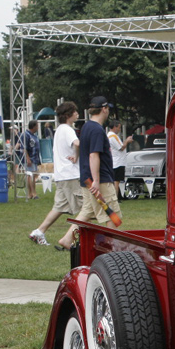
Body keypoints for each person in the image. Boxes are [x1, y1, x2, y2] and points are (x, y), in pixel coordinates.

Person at [56, 96, 121, 250]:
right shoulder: (97, 130)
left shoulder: (86, 127)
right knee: (113, 214)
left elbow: (82, 148)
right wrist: (97, 181)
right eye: (108, 109)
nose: (108, 112)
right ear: (104, 109)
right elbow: (93, 155)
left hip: (86, 178)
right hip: (100, 180)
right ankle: (110, 247)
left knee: (87, 211)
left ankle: (67, 239)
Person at [29, 102, 82, 246]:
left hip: (61, 175)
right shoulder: (68, 130)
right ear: (68, 115)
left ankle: (39, 231)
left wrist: (76, 155)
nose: (77, 114)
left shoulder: (59, 130)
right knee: (87, 209)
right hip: (71, 175)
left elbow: (73, 147)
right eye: (75, 111)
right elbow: (77, 143)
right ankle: (71, 239)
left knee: (59, 208)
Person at [107, 120, 133, 197]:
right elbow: (121, 147)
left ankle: (116, 196)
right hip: (117, 162)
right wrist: (127, 141)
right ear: (114, 127)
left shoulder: (111, 135)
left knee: (115, 181)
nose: (119, 129)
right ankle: (115, 197)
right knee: (116, 181)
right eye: (119, 128)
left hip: (116, 161)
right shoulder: (112, 136)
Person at [22, 120, 41, 200]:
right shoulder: (26, 135)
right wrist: (28, 159)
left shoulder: (34, 135)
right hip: (30, 158)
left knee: (32, 175)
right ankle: (33, 193)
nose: (38, 127)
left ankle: (30, 194)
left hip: (35, 158)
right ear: (33, 126)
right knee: (30, 176)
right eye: (37, 126)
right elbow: (24, 148)